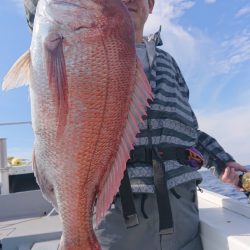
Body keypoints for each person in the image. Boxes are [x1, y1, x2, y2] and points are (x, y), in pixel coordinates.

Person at [23, 0, 247, 249]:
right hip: (117, 216)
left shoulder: (169, 63)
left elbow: (187, 131)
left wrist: (221, 161)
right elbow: (43, 15)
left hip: (183, 213)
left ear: (151, 5)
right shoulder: (78, 38)